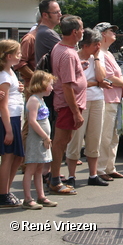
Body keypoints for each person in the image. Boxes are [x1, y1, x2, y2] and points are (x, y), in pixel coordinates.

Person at [65, 28, 108, 187]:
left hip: (97, 99)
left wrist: (96, 59)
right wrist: (96, 83)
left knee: (94, 137)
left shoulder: (98, 57)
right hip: (80, 100)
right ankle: (71, 175)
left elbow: (101, 77)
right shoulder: (74, 57)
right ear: (85, 45)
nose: (98, 47)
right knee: (76, 138)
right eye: (94, 45)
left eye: (99, 44)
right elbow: (76, 83)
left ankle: (93, 174)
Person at [48, 15, 86, 195]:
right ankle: (54, 180)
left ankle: (53, 177)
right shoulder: (69, 54)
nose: (83, 31)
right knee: (61, 142)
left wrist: (80, 67)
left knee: (63, 141)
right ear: (74, 32)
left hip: (66, 104)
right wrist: (75, 112)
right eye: (82, 28)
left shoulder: (61, 48)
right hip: (67, 105)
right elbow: (67, 85)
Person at [95, 22, 123, 182]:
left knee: (114, 135)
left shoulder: (107, 53)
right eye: (110, 31)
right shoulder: (100, 53)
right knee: (106, 135)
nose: (114, 33)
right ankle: (100, 168)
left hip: (115, 99)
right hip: (107, 99)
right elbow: (108, 76)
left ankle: (110, 166)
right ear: (102, 34)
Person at [22, 70, 57, 209]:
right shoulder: (33, 100)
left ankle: (41, 196)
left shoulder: (41, 100)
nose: (52, 88)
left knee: (39, 169)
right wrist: (45, 137)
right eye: (50, 84)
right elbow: (32, 121)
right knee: (31, 168)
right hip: (36, 140)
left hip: (43, 140)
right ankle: (27, 198)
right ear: (42, 84)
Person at [0, 40, 25, 207]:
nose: (20, 55)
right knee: (8, 157)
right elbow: (3, 104)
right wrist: (8, 130)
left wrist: (19, 88)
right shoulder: (4, 75)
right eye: (18, 53)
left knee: (17, 157)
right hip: (8, 120)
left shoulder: (10, 72)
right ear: (9, 56)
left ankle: (6, 190)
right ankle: (3, 194)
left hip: (16, 117)